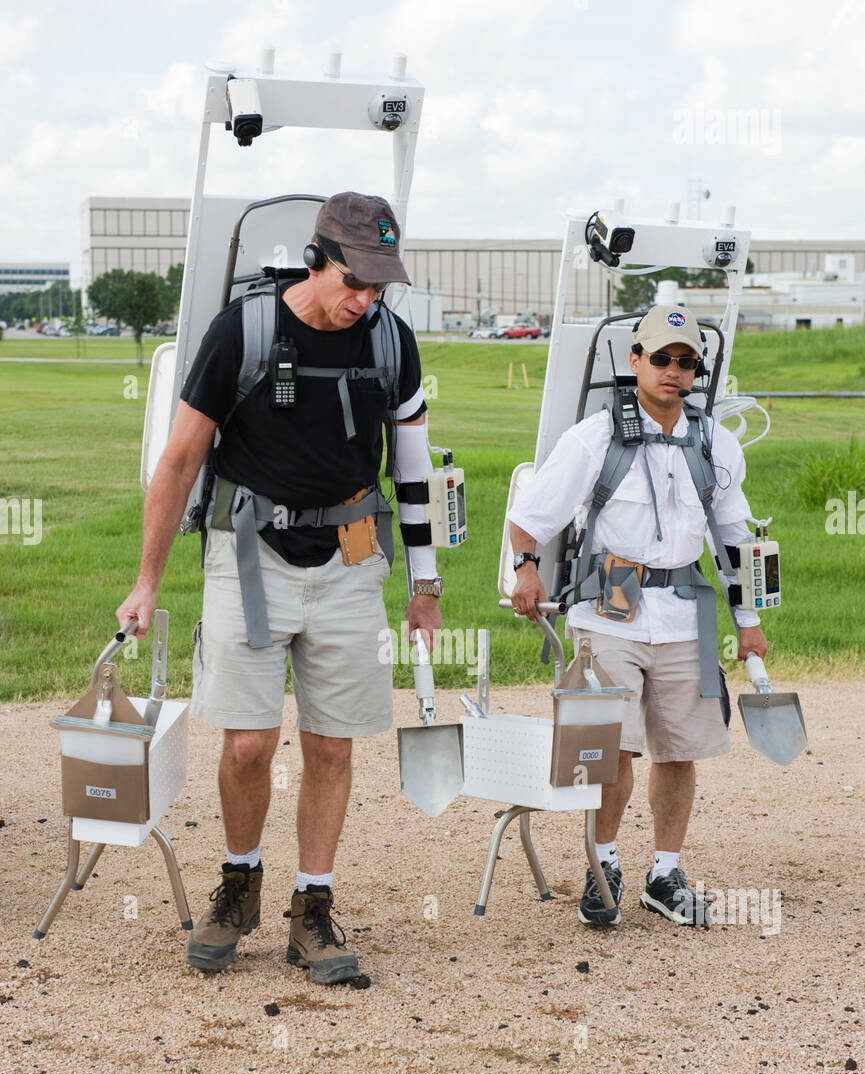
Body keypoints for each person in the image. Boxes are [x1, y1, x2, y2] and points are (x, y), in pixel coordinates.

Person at [117, 192, 444, 980]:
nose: (364, 298)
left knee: (332, 743)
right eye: (353, 281)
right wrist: (146, 582)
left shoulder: (391, 342)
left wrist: (425, 581)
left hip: (351, 554)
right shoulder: (245, 331)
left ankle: (313, 906)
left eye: (378, 285)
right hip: (250, 555)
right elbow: (179, 461)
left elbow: (410, 464)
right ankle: (239, 881)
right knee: (250, 741)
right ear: (315, 259)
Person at [507, 304, 768, 928]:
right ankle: (605, 866)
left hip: (684, 616)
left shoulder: (714, 442)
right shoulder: (594, 437)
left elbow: (735, 541)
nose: (674, 373)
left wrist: (748, 619)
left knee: (680, 751)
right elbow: (531, 515)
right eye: (662, 359)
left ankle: (664, 873)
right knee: (610, 750)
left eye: (687, 363)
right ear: (635, 361)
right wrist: (523, 569)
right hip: (608, 613)